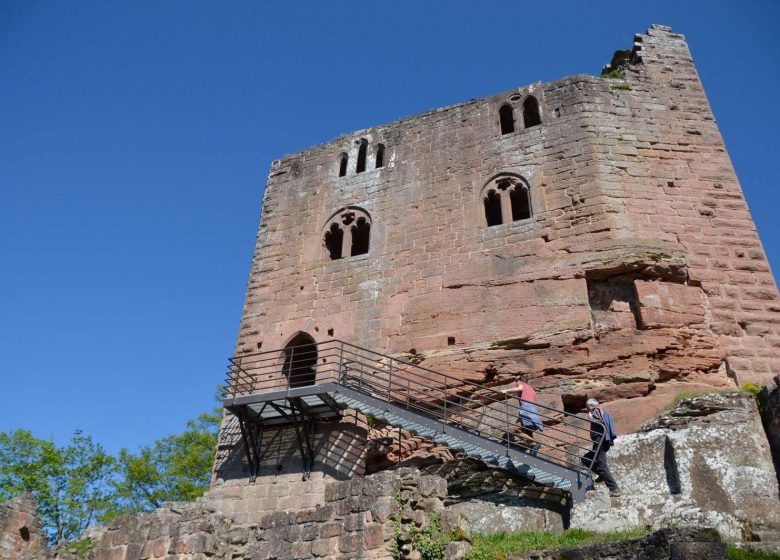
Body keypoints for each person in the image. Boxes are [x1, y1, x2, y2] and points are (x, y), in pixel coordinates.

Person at [583, 398, 621, 497]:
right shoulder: (601, 411)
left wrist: (590, 418)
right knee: (586, 459)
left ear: (591, 406)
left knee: (602, 466)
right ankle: (602, 475)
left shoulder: (595, 410)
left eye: (588, 407)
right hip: (599, 442)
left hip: (599, 441)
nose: (587, 409)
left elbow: (600, 421)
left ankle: (614, 489)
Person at [501, 375, 543, 452]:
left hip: (526, 409)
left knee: (517, 430)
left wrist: (506, 390)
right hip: (533, 410)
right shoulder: (531, 389)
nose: (516, 382)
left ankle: (534, 443)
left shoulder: (521, 383)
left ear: (520, 380)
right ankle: (532, 449)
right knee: (528, 430)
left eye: (516, 380)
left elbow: (519, 388)